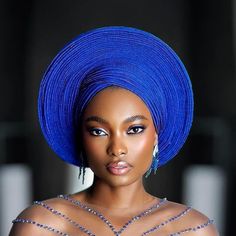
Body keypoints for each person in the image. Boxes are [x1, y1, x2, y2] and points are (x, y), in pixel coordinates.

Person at [10, 26, 219, 235]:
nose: (117, 149)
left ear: (156, 135)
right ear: (81, 137)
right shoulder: (40, 225)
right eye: (98, 131)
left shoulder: (192, 229)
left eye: (134, 129)